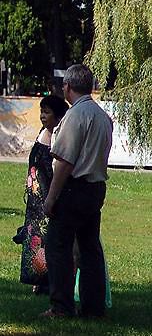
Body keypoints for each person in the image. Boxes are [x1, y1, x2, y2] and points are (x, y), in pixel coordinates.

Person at [41, 64, 113, 319]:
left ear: (68, 87)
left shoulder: (74, 116)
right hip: (96, 188)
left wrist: (51, 198)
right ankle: (94, 307)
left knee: (58, 246)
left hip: (74, 188)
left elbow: (65, 161)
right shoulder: (103, 117)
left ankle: (61, 306)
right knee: (90, 248)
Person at [15, 94, 69, 295]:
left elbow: (55, 169)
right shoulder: (41, 133)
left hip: (48, 197)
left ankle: (48, 281)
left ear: (58, 116)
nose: (42, 116)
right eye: (41, 111)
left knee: (48, 240)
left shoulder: (59, 137)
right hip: (35, 200)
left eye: (47, 112)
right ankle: (36, 279)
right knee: (34, 238)